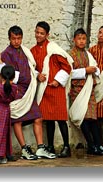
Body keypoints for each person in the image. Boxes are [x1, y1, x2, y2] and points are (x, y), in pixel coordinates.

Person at [1, 25, 56, 159]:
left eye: (19, 38)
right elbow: (9, 74)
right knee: (17, 120)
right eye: (14, 39)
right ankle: (24, 149)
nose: (16, 41)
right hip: (17, 90)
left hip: (29, 90)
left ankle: (41, 148)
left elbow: (31, 67)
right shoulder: (6, 54)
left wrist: (36, 76)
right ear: (9, 38)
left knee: (38, 117)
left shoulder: (25, 51)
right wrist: (26, 79)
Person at [31, 21, 72, 158]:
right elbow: (32, 69)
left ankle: (66, 147)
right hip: (44, 89)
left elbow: (67, 67)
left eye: (42, 33)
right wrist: (38, 75)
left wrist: (57, 80)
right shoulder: (32, 51)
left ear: (47, 34)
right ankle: (50, 146)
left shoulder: (54, 49)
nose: (38, 35)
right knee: (48, 119)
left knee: (60, 118)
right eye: (37, 32)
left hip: (56, 88)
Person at [68, 28, 103, 155]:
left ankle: (99, 145)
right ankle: (91, 145)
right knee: (84, 118)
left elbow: (96, 68)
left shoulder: (88, 54)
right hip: (77, 90)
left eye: (83, 39)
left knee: (93, 118)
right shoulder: (70, 55)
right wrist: (85, 70)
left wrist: (93, 70)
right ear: (74, 40)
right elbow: (69, 73)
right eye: (79, 38)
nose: (81, 41)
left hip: (89, 90)